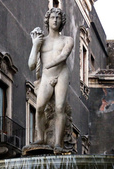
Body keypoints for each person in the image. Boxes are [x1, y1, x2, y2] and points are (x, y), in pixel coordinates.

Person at [28, 7, 74, 153]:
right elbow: (31, 65)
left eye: (58, 18)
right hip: (46, 77)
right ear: (47, 20)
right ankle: (40, 138)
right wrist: (35, 45)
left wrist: (49, 64)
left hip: (61, 74)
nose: (55, 20)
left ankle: (58, 144)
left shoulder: (68, 39)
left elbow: (64, 56)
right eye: (52, 17)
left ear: (62, 21)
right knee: (39, 107)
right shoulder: (41, 42)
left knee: (60, 107)